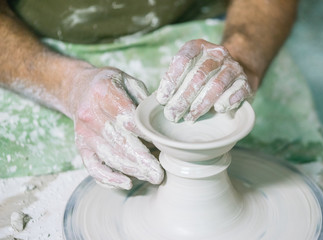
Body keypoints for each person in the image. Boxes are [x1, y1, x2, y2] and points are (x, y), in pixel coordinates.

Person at [0, 0, 298, 189]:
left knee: (297, 160)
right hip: (35, 47)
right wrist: (67, 85)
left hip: (210, 32)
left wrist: (243, 58)